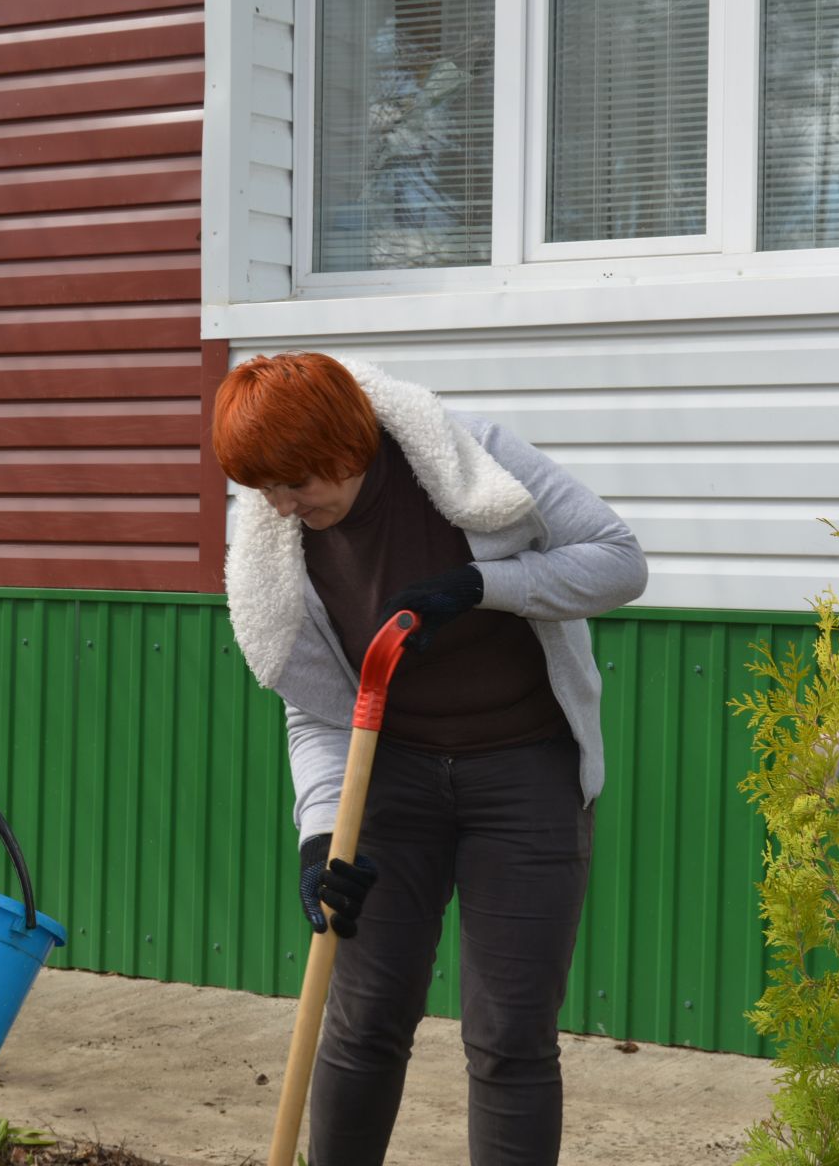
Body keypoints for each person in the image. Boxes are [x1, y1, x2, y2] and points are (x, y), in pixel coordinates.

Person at [212, 352, 648, 1166]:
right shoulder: (276, 534)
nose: (280, 504)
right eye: (262, 487)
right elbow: (314, 709)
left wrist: (484, 585)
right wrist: (319, 842)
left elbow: (621, 561)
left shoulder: (467, 456)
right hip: (393, 779)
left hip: (525, 772)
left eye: (296, 482)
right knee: (365, 1019)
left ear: (350, 445)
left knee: (511, 1035)